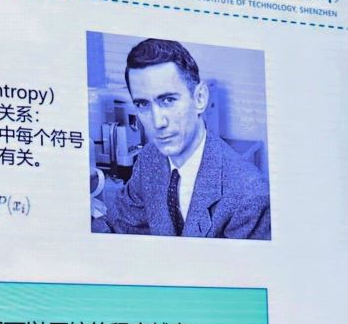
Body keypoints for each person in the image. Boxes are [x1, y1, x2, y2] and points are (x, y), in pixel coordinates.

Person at [92, 39, 270, 240]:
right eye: (143, 104)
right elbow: (120, 224)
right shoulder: (150, 157)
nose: (158, 122)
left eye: (168, 100)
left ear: (200, 98)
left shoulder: (249, 194)